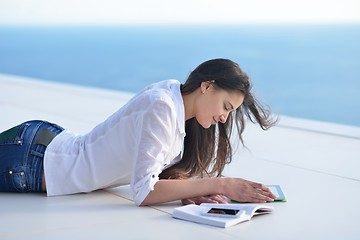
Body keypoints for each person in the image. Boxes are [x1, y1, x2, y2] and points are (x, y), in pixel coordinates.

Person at [0, 58, 277, 206]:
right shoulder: (162, 106)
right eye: (226, 106)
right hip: (32, 159)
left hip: (45, 147)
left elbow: (153, 172)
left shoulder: (177, 104)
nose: (223, 117)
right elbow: (143, 193)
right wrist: (221, 184)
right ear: (206, 86)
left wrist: (186, 191)